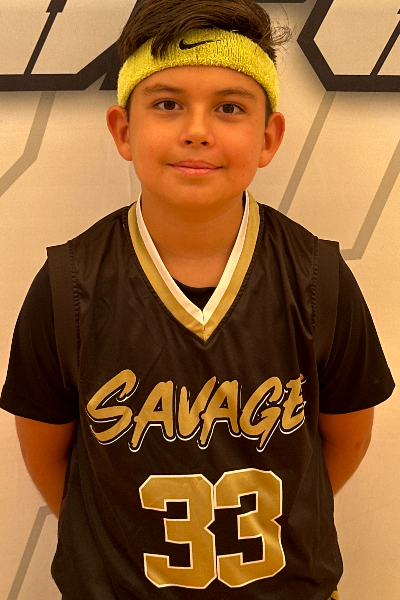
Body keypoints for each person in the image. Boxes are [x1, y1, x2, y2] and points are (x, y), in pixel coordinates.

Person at [0, 0, 395, 598]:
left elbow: (346, 440)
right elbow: (50, 458)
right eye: (167, 104)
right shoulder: (67, 287)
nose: (197, 130)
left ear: (269, 137)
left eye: (229, 108)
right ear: (124, 131)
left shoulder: (319, 279)